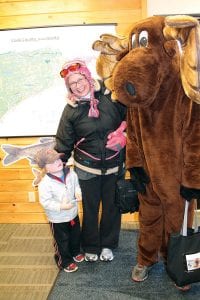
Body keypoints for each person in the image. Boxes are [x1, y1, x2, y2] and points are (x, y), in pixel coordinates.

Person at [55, 59, 127, 262]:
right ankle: (91, 246)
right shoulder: (71, 110)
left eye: (80, 80)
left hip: (114, 166)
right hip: (87, 170)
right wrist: (55, 170)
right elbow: (63, 143)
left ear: (87, 77)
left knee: (113, 208)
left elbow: (130, 119)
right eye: (72, 84)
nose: (78, 86)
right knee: (90, 208)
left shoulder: (110, 96)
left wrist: (124, 136)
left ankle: (108, 245)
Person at [35, 148, 84, 273]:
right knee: (61, 241)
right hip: (57, 219)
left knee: (75, 235)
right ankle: (64, 261)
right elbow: (45, 202)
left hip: (73, 214)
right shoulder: (45, 183)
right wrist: (61, 206)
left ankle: (75, 252)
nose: (57, 162)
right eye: (52, 162)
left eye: (57, 159)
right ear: (45, 167)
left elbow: (77, 186)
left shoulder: (71, 173)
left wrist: (78, 193)